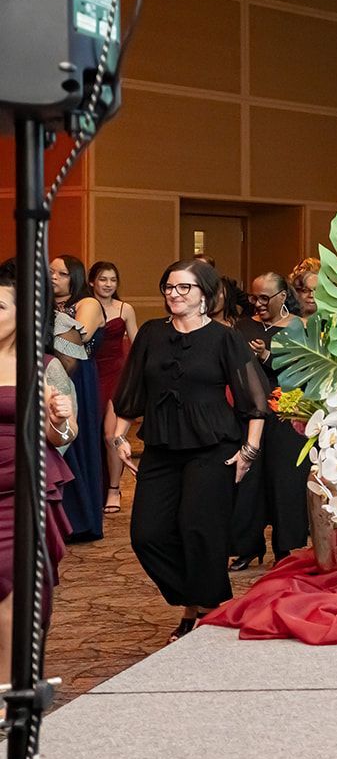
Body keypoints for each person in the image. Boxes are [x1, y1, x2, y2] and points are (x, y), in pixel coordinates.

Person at [107, 260, 271, 642]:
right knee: (147, 535)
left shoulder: (224, 338)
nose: (175, 293)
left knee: (198, 529)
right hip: (162, 445)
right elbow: (132, 391)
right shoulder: (151, 334)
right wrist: (118, 437)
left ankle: (196, 612)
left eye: (184, 287)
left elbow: (255, 400)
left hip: (213, 446)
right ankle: (205, 602)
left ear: (205, 294)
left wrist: (249, 451)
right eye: (169, 287)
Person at [0, 273, 78, 668]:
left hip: (22, 493)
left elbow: (64, 435)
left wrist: (59, 419)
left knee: (11, 585)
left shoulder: (43, 366)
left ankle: (9, 687)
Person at [229, 273, 310, 569]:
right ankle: (247, 546)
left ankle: (285, 549)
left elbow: (303, 370)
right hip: (249, 412)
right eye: (254, 297)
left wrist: (266, 356)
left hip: (286, 412)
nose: (258, 303)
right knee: (248, 480)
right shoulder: (242, 326)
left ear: (282, 296)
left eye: (265, 298)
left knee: (285, 480)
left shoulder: (300, 327)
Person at [51, 255, 107, 539]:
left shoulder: (88, 304)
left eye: (62, 273)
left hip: (79, 377)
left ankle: (81, 520)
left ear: (74, 276)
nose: (54, 277)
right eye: (50, 272)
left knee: (77, 442)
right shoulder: (45, 306)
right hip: (51, 374)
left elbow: (75, 340)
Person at [88, 261, 139, 513]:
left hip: (117, 375)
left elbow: (138, 345)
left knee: (111, 435)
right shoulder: (84, 307)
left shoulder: (124, 308)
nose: (108, 284)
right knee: (90, 434)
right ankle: (92, 488)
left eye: (113, 280)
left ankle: (114, 489)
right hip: (90, 373)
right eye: (103, 279)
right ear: (91, 282)